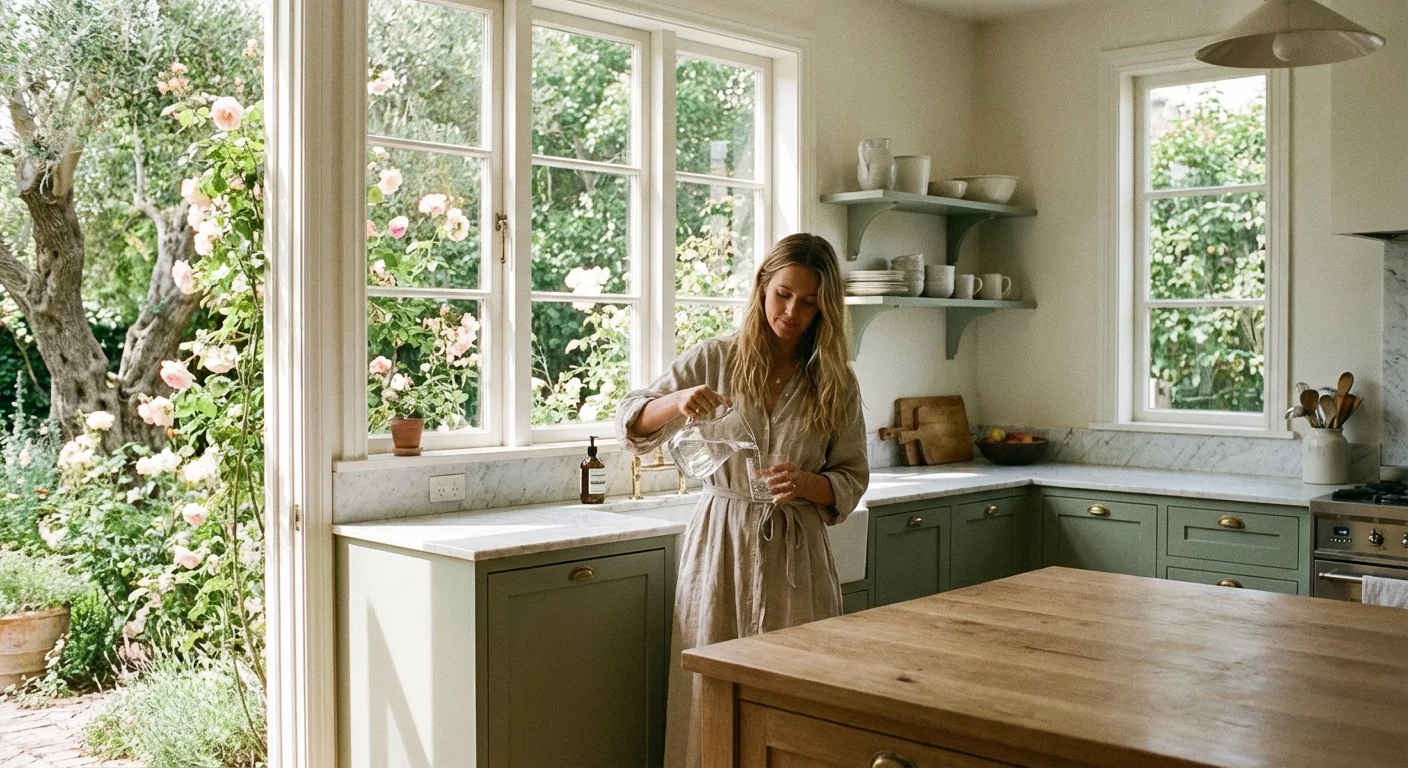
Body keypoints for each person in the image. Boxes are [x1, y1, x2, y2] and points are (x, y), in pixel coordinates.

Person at [614, 232, 869, 768]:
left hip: (797, 550)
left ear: (826, 307)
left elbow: (851, 477)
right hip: (720, 544)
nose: (792, 311)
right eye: (783, 294)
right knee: (712, 688)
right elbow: (632, 423)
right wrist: (677, 401)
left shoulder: (835, 382)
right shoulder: (715, 358)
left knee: (797, 687)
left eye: (808, 301)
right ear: (761, 287)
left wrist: (805, 483)